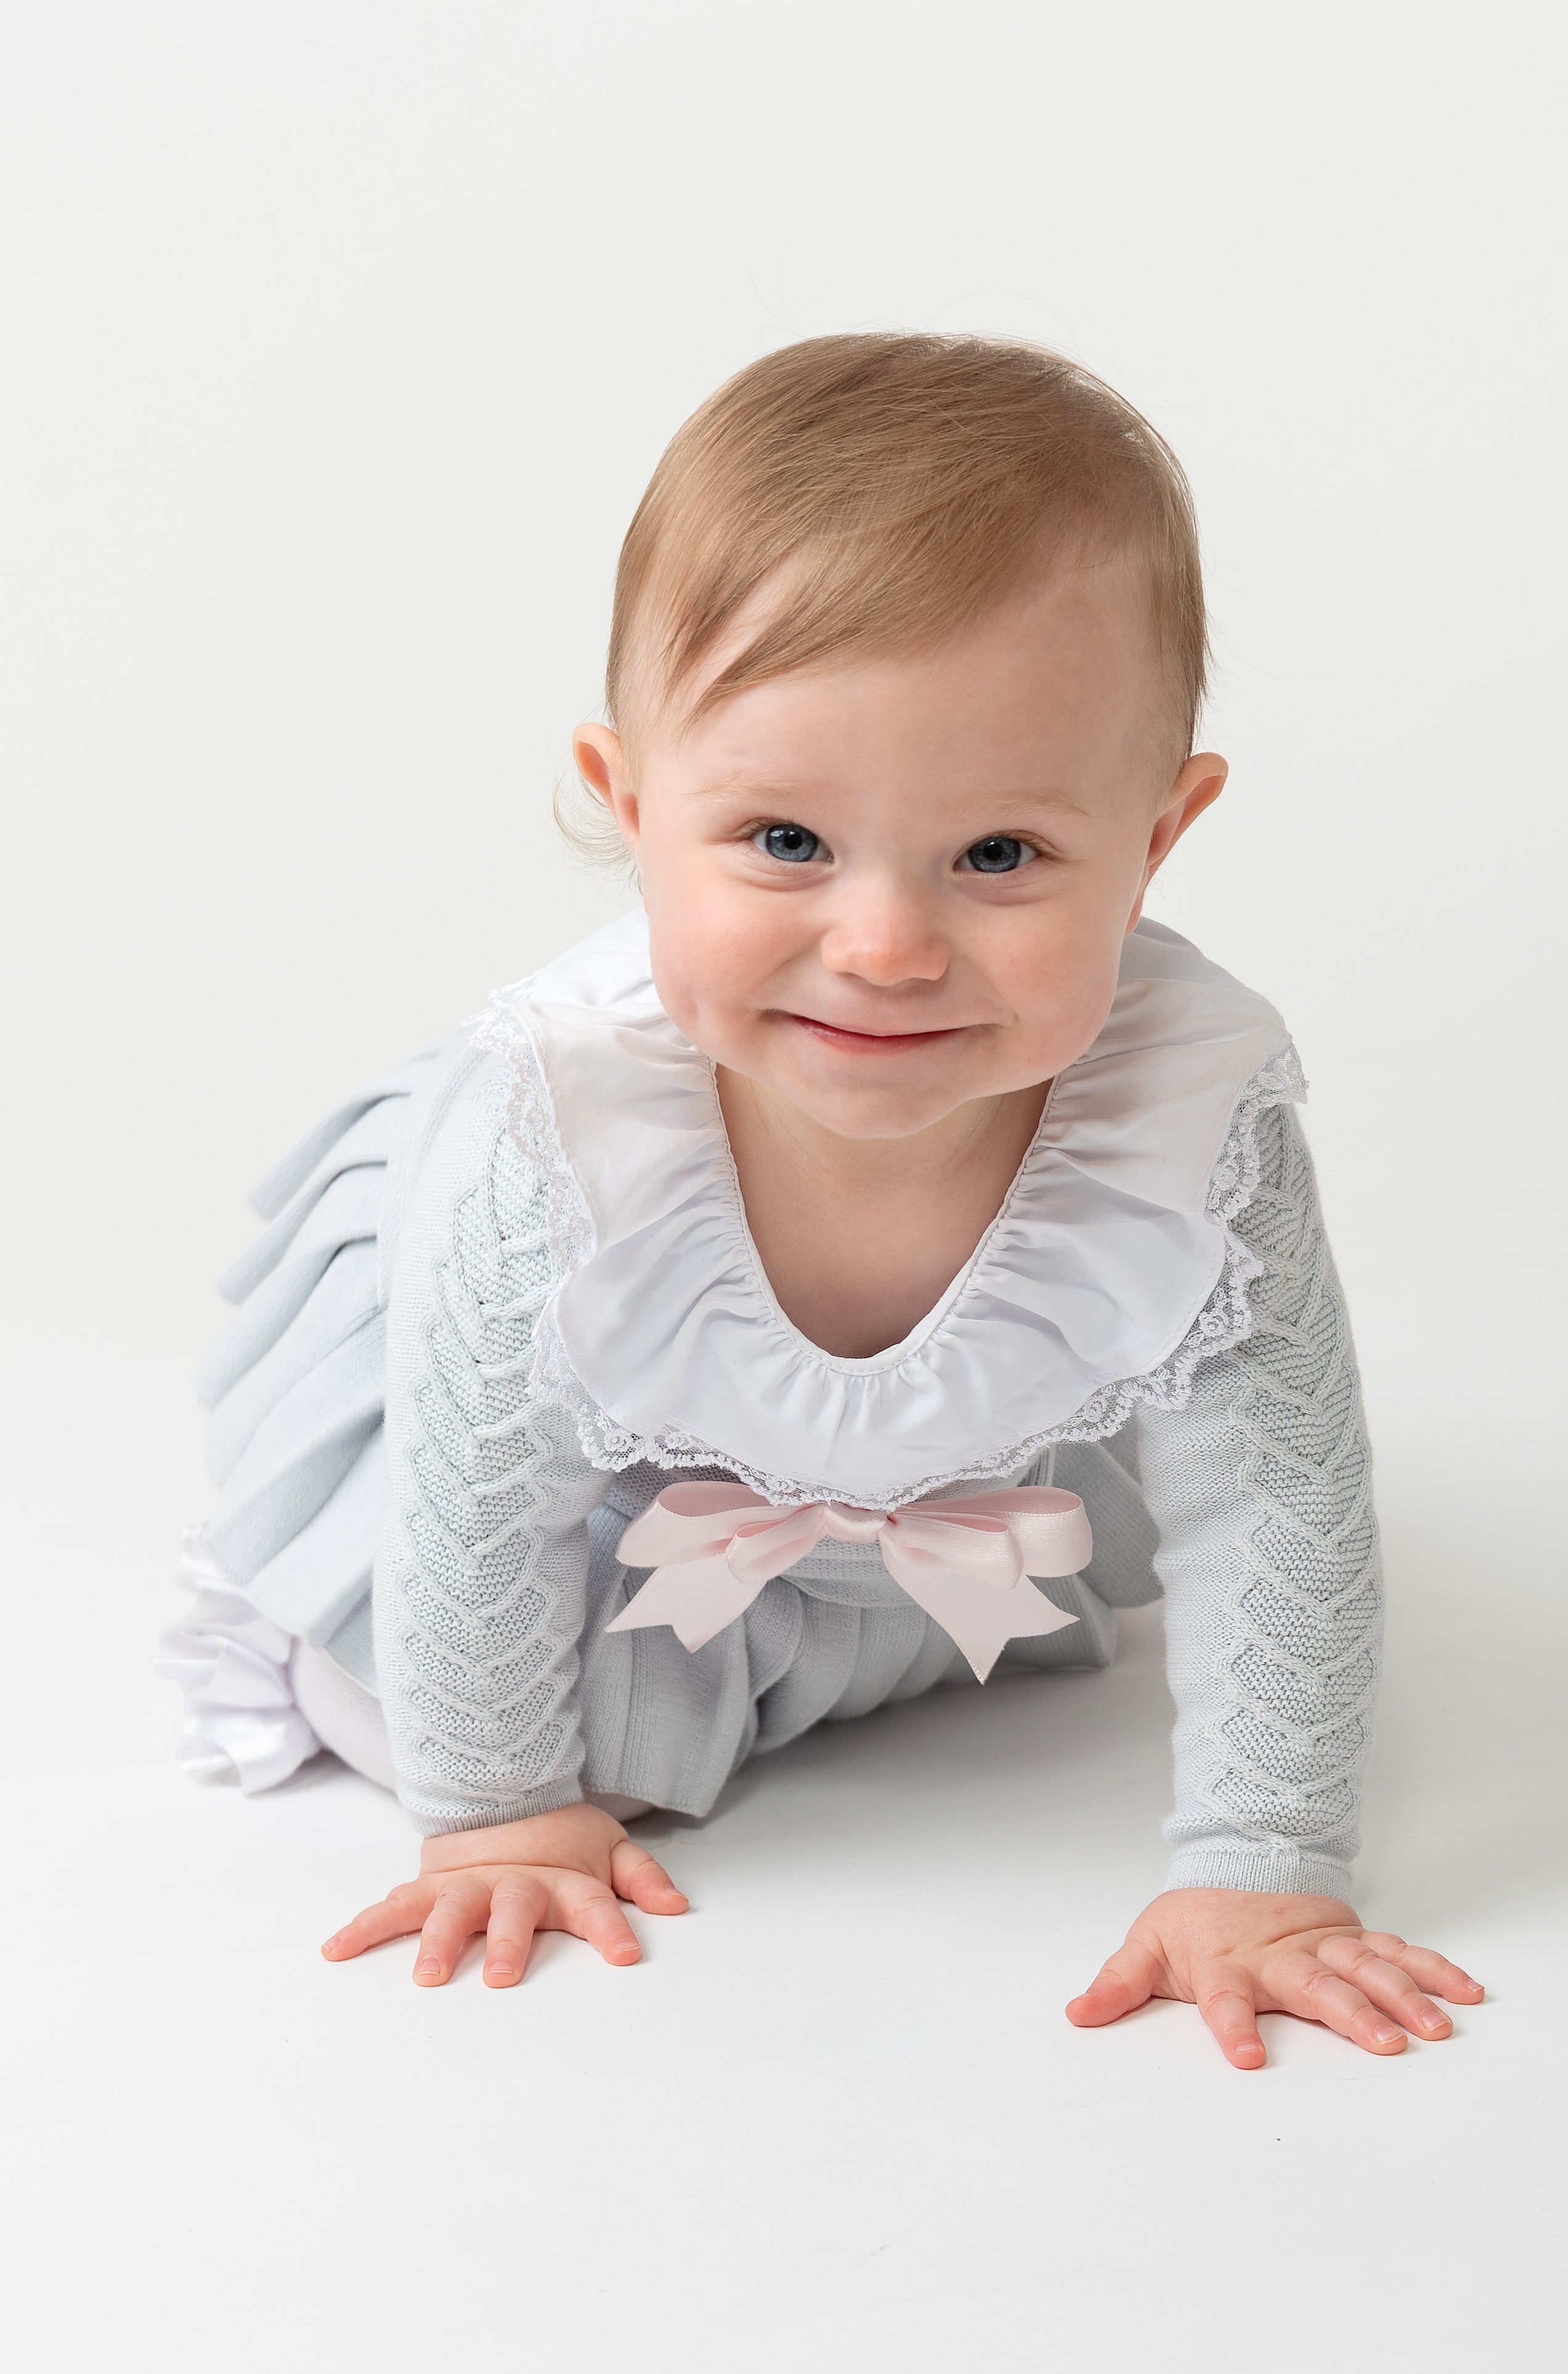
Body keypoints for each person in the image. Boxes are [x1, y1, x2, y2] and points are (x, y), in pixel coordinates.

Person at [162, 332, 1481, 2067]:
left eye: (1000, 855)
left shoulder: (1189, 1123)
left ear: (1155, 840)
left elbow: (1279, 1506)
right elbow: (479, 1495)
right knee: (428, 1699)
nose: (884, 945)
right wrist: (496, 1815)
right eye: (784, 841)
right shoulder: (563, 1134)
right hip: (555, 1469)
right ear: (633, 806)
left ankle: (839, 1613)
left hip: (937, 1480)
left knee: (996, 1613)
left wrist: (1265, 1866)